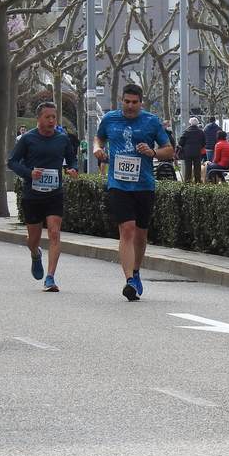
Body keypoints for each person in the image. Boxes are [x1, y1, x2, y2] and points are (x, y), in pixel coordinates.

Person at [94, 83, 174, 301]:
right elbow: (99, 137)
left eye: (134, 102)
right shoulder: (110, 119)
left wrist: (153, 152)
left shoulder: (151, 121)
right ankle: (129, 280)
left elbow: (169, 150)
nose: (130, 106)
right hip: (118, 183)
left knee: (140, 233)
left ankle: (136, 271)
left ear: (141, 102)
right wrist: (97, 149)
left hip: (144, 184)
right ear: (122, 100)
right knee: (127, 229)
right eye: (126, 102)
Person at [7, 101, 78, 292]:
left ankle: (50, 277)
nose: (51, 121)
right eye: (47, 117)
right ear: (38, 119)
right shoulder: (27, 139)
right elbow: (12, 162)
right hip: (32, 195)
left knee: (54, 232)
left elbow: (72, 159)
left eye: (54, 117)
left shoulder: (62, 139)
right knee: (33, 239)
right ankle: (35, 254)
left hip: (54, 193)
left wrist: (73, 169)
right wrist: (29, 173)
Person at [176, 116, 206, 183]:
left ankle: (187, 182)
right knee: (197, 168)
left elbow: (180, 142)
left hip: (187, 153)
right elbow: (204, 143)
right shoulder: (201, 132)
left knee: (188, 168)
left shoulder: (186, 132)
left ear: (190, 123)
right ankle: (197, 182)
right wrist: (199, 146)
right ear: (197, 123)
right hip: (197, 152)